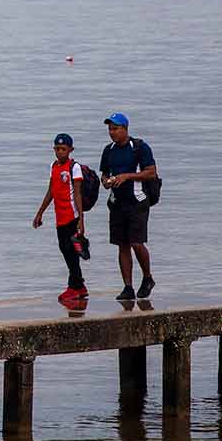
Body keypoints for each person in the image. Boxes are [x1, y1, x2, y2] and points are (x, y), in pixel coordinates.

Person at [98, 113, 158, 301]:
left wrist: (127, 176)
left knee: (136, 243)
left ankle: (147, 278)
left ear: (125, 129)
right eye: (110, 129)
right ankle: (128, 287)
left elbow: (151, 172)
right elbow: (104, 174)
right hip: (117, 203)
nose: (112, 132)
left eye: (115, 129)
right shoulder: (109, 150)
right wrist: (107, 182)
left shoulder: (139, 148)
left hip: (137, 202)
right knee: (122, 245)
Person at [32, 132, 90, 308]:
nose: (60, 152)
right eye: (57, 149)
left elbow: (78, 194)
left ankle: (75, 286)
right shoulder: (54, 166)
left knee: (71, 251)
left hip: (72, 216)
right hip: (60, 217)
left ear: (70, 150)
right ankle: (78, 285)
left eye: (63, 149)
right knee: (64, 250)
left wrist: (81, 219)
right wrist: (40, 212)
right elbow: (51, 191)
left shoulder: (74, 168)